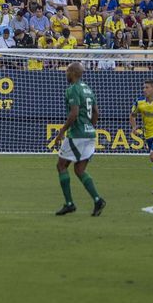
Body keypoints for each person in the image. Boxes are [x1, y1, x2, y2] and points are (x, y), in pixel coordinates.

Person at [53, 61, 104, 216]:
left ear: (74, 73)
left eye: (67, 71)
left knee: (61, 165)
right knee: (79, 169)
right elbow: (96, 112)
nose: (66, 73)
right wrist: (90, 127)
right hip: (89, 134)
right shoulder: (88, 89)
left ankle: (69, 204)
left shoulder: (73, 89)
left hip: (77, 134)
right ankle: (97, 200)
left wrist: (61, 132)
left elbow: (74, 114)